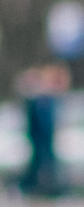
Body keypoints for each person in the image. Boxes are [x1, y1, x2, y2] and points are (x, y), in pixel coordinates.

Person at [18, 62, 68, 197]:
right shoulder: (40, 101)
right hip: (41, 141)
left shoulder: (43, 101)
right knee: (42, 163)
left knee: (43, 163)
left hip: (42, 141)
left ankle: (43, 187)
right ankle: (42, 188)